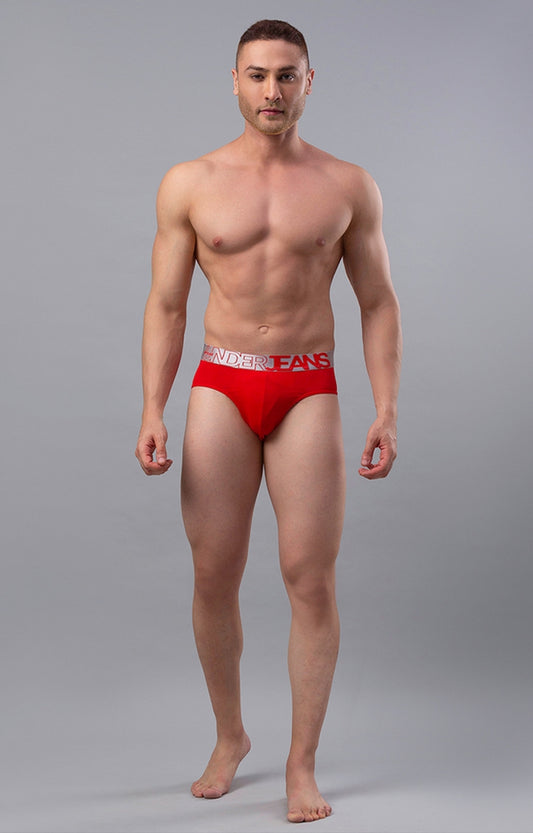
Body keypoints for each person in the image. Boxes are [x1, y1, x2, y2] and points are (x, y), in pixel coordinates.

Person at [135, 19, 402, 824]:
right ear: (234, 80)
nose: (271, 91)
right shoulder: (189, 182)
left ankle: (300, 762)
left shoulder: (348, 185)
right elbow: (167, 304)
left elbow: (378, 302)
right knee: (212, 574)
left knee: (308, 577)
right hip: (221, 383)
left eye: (286, 75)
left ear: (308, 82)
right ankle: (230, 736)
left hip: (305, 385)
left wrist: (386, 407)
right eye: (257, 75)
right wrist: (151, 406)